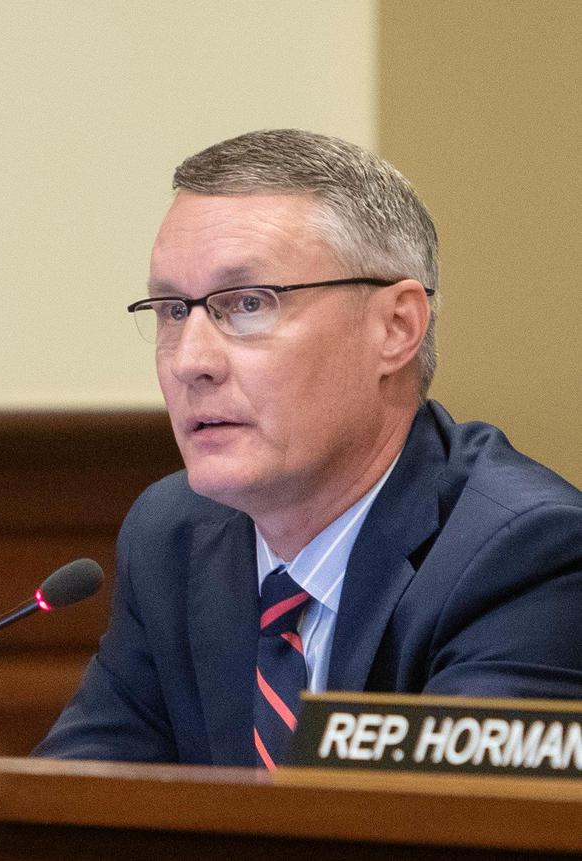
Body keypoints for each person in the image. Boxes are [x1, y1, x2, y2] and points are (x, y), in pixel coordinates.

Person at [34, 129, 582, 770]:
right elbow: (83, 800)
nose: (190, 361)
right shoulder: (173, 535)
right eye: (173, 311)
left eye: (247, 304)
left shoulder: (525, 556)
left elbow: (447, 834)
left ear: (396, 326)